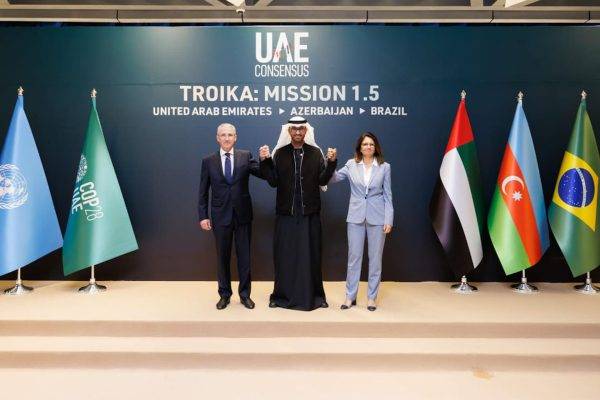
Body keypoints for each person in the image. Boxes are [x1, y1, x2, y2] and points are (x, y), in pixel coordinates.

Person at [258, 116, 337, 311]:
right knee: (285, 256)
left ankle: (316, 296)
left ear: (306, 131)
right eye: (294, 129)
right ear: (289, 131)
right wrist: (265, 161)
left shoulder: (315, 153)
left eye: (301, 128)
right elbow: (273, 182)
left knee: (311, 255)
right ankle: (280, 296)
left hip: (310, 215)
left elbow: (322, 180)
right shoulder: (280, 154)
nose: (298, 132)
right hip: (286, 214)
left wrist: (331, 163)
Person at [198, 123, 263, 310]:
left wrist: (264, 160)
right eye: (223, 135)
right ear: (217, 138)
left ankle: (245, 295)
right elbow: (203, 191)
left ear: (236, 137)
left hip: (243, 215)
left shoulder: (245, 156)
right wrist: (203, 216)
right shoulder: (208, 161)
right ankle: (224, 295)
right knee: (222, 258)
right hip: (220, 216)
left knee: (244, 258)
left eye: (230, 135)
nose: (226, 138)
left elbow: (263, 173)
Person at [328, 132, 393, 311]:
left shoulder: (384, 167)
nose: (368, 147)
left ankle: (372, 298)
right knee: (354, 258)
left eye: (371, 144)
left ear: (375, 147)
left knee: (375, 260)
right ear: (360, 147)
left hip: (378, 217)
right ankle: (350, 296)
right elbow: (333, 178)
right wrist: (331, 161)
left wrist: (388, 219)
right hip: (355, 216)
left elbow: (388, 195)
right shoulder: (351, 164)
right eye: (365, 144)